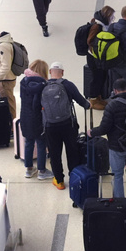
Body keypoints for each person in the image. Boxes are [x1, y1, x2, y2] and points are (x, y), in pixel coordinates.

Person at [89, 79, 126, 205]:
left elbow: (104, 128)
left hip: (117, 146)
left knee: (117, 176)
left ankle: (121, 204)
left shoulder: (112, 105)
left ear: (115, 91)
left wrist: (92, 132)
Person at [43, 62, 90, 190]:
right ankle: (74, 177)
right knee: (72, 151)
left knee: (55, 153)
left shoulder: (43, 86)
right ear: (62, 72)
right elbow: (82, 101)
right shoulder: (67, 84)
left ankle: (59, 181)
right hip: (68, 124)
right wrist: (88, 105)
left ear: (50, 72)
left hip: (50, 126)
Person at [19, 60, 53, 180]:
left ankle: (29, 169)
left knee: (28, 142)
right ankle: (42, 171)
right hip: (38, 118)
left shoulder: (23, 82)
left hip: (25, 116)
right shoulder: (44, 84)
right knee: (41, 144)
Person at [85, 5, 116, 108]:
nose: (113, 19)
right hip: (94, 57)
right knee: (96, 78)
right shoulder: (97, 26)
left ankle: (98, 97)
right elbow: (90, 41)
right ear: (107, 16)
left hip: (97, 57)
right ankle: (93, 100)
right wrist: (97, 51)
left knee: (101, 77)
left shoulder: (101, 24)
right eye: (112, 17)